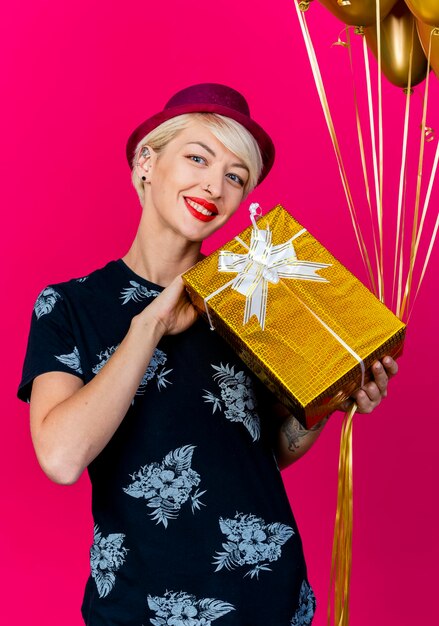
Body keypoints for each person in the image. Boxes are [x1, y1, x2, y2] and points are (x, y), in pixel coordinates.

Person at [17, 83, 398, 626]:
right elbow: (60, 457)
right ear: (147, 161)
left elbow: (264, 452)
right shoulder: (69, 306)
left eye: (236, 176)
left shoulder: (253, 296)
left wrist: (326, 402)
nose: (215, 186)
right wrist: (150, 324)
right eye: (198, 158)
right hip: (138, 606)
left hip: (271, 600)